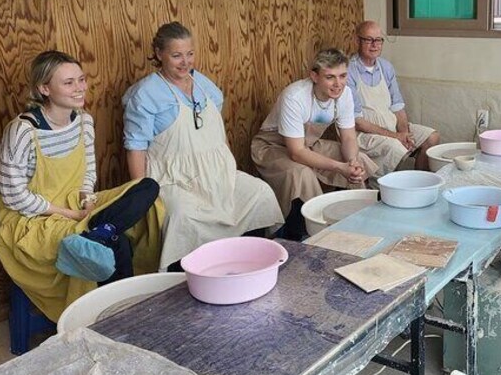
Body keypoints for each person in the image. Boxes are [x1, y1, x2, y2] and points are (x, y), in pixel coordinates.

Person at [0, 51, 163, 322]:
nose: (80, 88)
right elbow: (14, 197)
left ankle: (100, 232)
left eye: (81, 79)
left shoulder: (84, 120)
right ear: (44, 89)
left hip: (77, 203)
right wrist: (69, 214)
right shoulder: (23, 130)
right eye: (69, 82)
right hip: (35, 218)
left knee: (148, 187)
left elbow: (88, 172)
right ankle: (119, 319)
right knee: (114, 244)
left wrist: (86, 199)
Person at [122, 22, 283, 270]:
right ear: (158, 53)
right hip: (174, 179)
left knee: (259, 193)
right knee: (183, 216)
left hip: (216, 173)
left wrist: (228, 166)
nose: (185, 62)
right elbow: (135, 148)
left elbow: (215, 131)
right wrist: (143, 195)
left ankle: (250, 260)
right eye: (176, 55)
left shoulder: (204, 85)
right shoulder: (145, 95)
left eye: (190, 54)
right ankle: (189, 272)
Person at [251, 48, 378, 240]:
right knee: (302, 174)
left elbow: (349, 138)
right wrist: (339, 167)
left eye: (343, 76)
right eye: (330, 77)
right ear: (314, 76)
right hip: (272, 147)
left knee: (359, 162)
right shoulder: (295, 96)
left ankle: (356, 222)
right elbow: (296, 152)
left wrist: (351, 162)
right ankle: (315, 233)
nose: (338, 84)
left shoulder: (345, 94)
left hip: (308, 143)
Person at [347, 21, 440, 176]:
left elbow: (397, 107)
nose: (374, 45)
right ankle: (384, 189)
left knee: (432, 138)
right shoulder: (349, 70)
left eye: (378, 40)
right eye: (368, 40)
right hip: (365, 134)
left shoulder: (386, 67)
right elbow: (357, 121)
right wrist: (396, 137)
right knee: (398, 148)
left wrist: (404, 133)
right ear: (357, 41)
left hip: (392, 126)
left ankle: (419, 182)